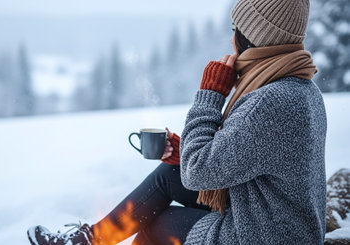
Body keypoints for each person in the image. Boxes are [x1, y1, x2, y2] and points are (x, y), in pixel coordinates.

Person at [27, 0, 327, 244]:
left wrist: (210, 95)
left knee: (156, 225)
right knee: (170, 175)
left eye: (235, 29)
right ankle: (88, 241)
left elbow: (198, 173)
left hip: (264, 236)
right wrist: (186, 153)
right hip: (278, 222)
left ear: (252, 38)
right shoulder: (300, 89)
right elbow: (250, 155)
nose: (230, 38)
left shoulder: (271, 101)